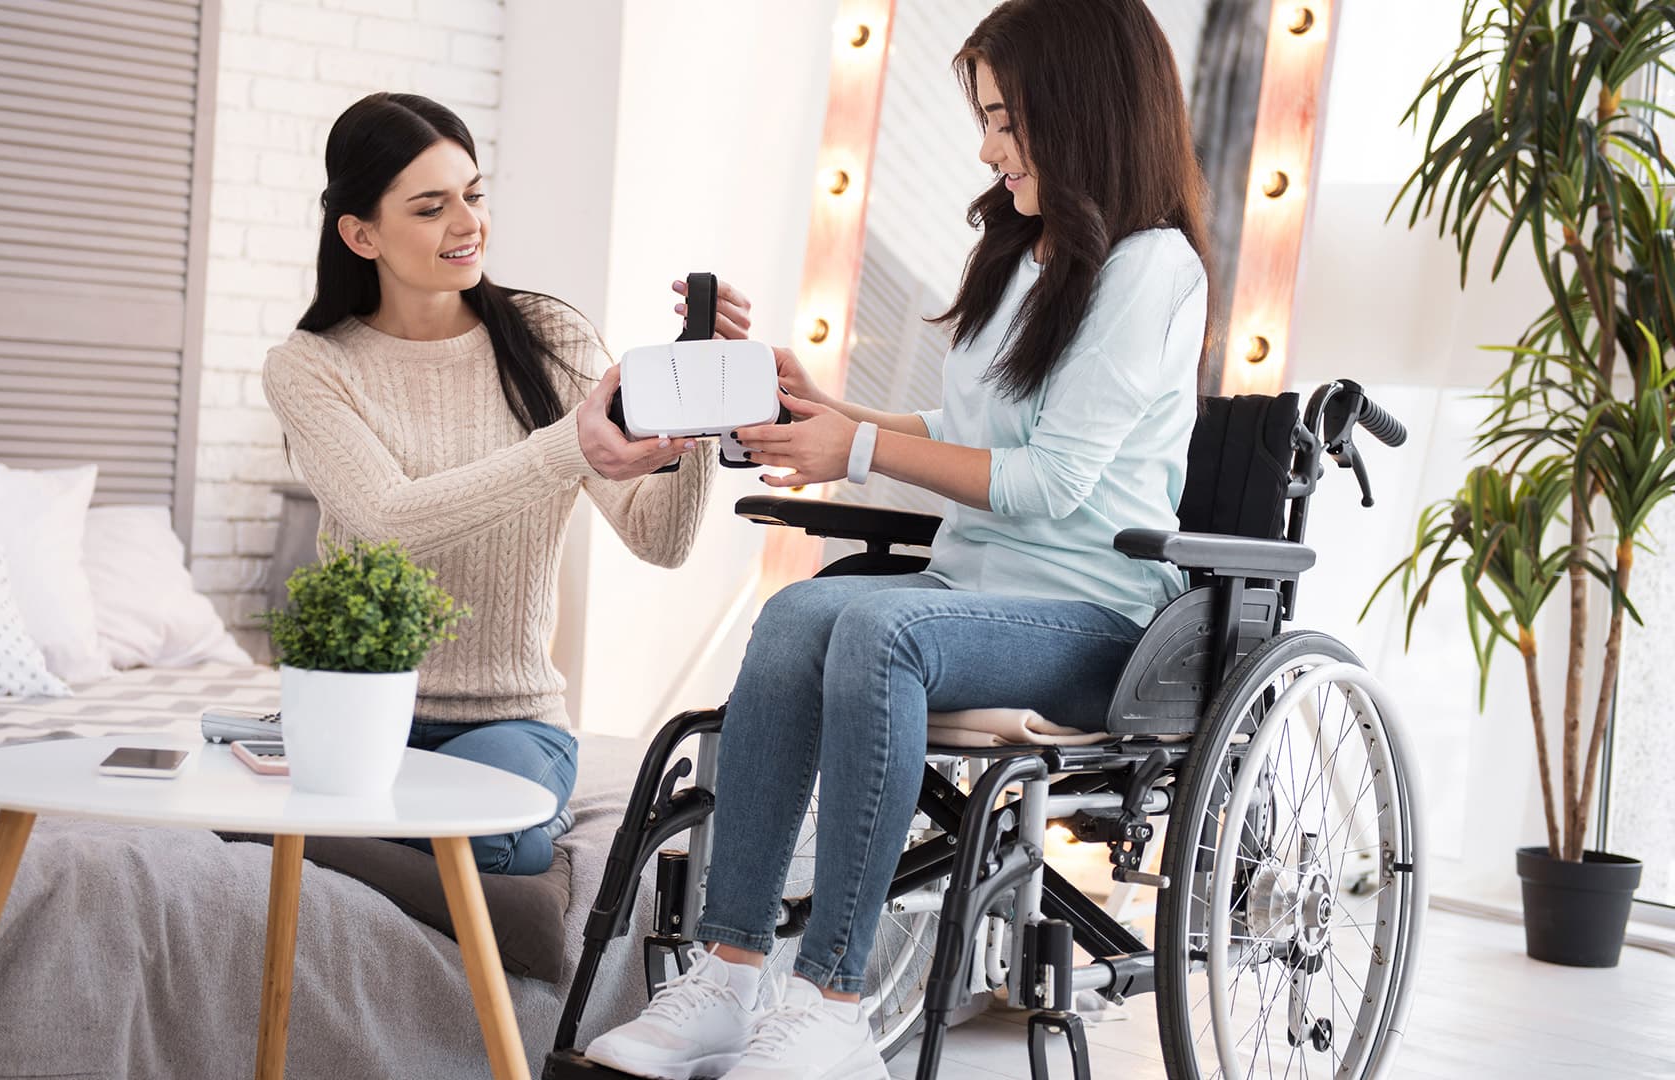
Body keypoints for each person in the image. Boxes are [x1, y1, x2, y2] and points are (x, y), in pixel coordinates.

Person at [585, 0, 1210, 1075]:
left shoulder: (1153, 268)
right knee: (797, 611)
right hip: (973, 596)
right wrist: (835, 411)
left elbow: (1053, 484)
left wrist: (857, 455)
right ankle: (731, 976)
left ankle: (829, 1001)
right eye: (985, 120)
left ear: (1082, 109)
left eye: (1007, 120)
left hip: (1097, 620)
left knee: (880, 631)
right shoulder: (1027, 254)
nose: (987, 148)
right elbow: (968, 435)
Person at [261, 92, 750, 874]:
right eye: (430, 207)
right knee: (461, 841)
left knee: (492, 841)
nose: (467, 224)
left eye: (474, 194)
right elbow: (390, 520)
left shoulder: (548, 338)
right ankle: (347, 835)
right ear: (361, 233)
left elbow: (659, 541)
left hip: (510, 720)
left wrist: (691, 416)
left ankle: (328, 840)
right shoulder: (312, 367)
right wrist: (564, 450)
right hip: (357, 709)